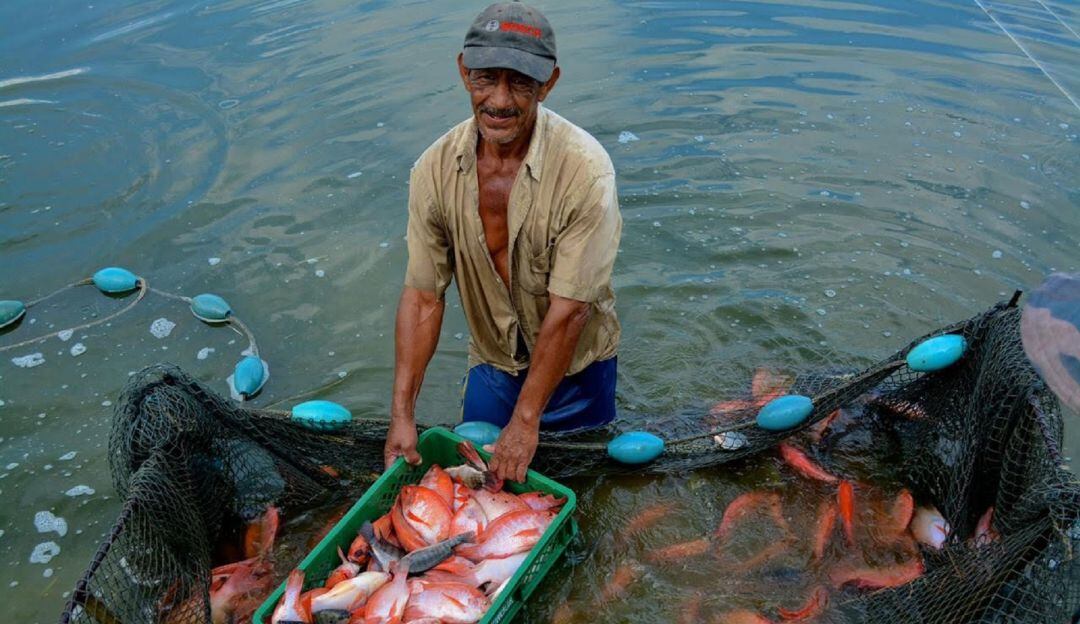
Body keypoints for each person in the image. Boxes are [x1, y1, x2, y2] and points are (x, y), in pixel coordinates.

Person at [383, 1, 622, 483]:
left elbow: (571, 309)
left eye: (520, 82)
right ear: (463, 71)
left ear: (549, 83)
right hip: (493, 364)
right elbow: (424, 297)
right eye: (486, 78)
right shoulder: (433, 170)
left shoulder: (585, 170)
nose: (499, 100)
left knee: (586, 485)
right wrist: (402, 414)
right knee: (477, 488)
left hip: (579, 371)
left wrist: (527, 420)